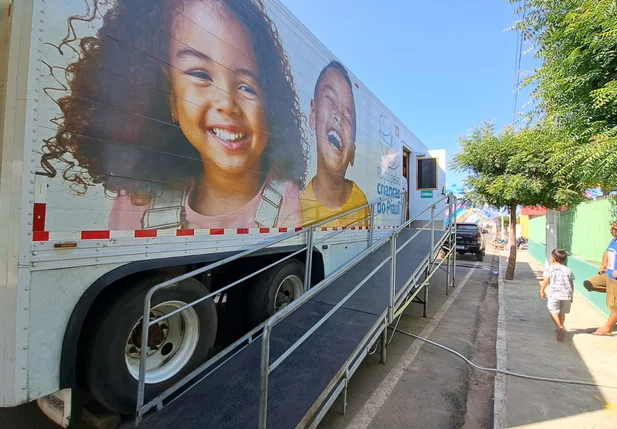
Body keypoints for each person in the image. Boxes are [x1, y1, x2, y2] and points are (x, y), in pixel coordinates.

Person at [42, 0, 308, 230]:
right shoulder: (138, 204)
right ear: (169, 94)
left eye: (246, 87)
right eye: (200, 74)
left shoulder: (291, 201)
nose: (227, 103)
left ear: (271, 109)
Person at [300, 61, 369, 228]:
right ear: (313, 114)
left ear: (352, 151)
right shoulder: (297, 204)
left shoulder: (362, 203)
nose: (339, 117)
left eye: (348, 118)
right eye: (331, 101)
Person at [582, 221, 617, 336]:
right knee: (590, 283)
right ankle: (612, 296)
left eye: (615, 229)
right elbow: (608, 251)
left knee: (615, 306)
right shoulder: (614, 240)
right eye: (613, 228)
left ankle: (607, 329)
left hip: (615, 278)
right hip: (608, 275)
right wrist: (604, 263)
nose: (613, 231)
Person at [540, 249, 575, 341]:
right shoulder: (568, 270)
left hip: (554, 294)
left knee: (553, 310)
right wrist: (571, 295)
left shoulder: (550, 268)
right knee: (562, 312)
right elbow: (571, 284)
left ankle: (559, 327)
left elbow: (546, 280)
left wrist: (542, 290)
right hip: (566, 295)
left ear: (553, 259)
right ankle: (561, 326)